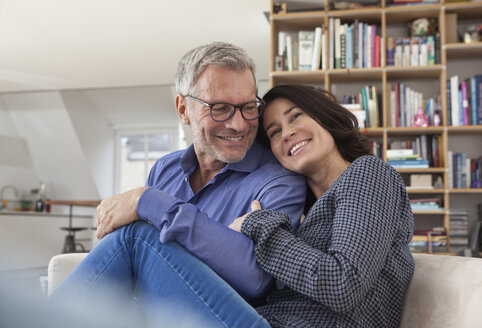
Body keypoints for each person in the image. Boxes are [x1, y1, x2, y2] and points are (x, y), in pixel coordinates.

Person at [51, 43, 306, 328]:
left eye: (248, 108)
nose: (239, 124)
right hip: (159, 317)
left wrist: (149, 202)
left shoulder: (279, 181)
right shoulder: (164, 169)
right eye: (220, 108)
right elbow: (143, 266)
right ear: (183, 109)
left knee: (135, 236)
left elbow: (255, 278)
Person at [229, 84, 415, 327]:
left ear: (324, 116)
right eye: (274, 132)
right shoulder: (302, 216)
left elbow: (344, 285)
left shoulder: (368, 173)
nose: (286, 133)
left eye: (295, 116)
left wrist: (260, 227)